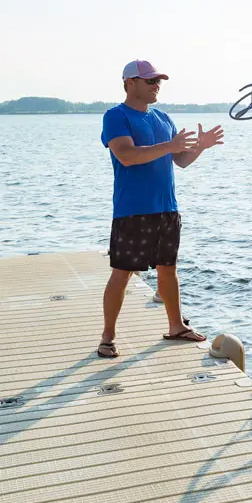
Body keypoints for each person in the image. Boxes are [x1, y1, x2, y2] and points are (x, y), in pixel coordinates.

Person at [97, 60, 224, 358]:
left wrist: (200, 146)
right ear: (130, 83)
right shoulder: (116, 116)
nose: (156, 86)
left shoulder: (163, 117)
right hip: (132, 210)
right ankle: (107, 337)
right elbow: (126, 155)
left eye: (158, 81)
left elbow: (180, 161)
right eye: (150, 81)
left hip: (167, 208)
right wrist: (170, 145)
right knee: (122, 273)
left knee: (169, 270)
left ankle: (176, 327)